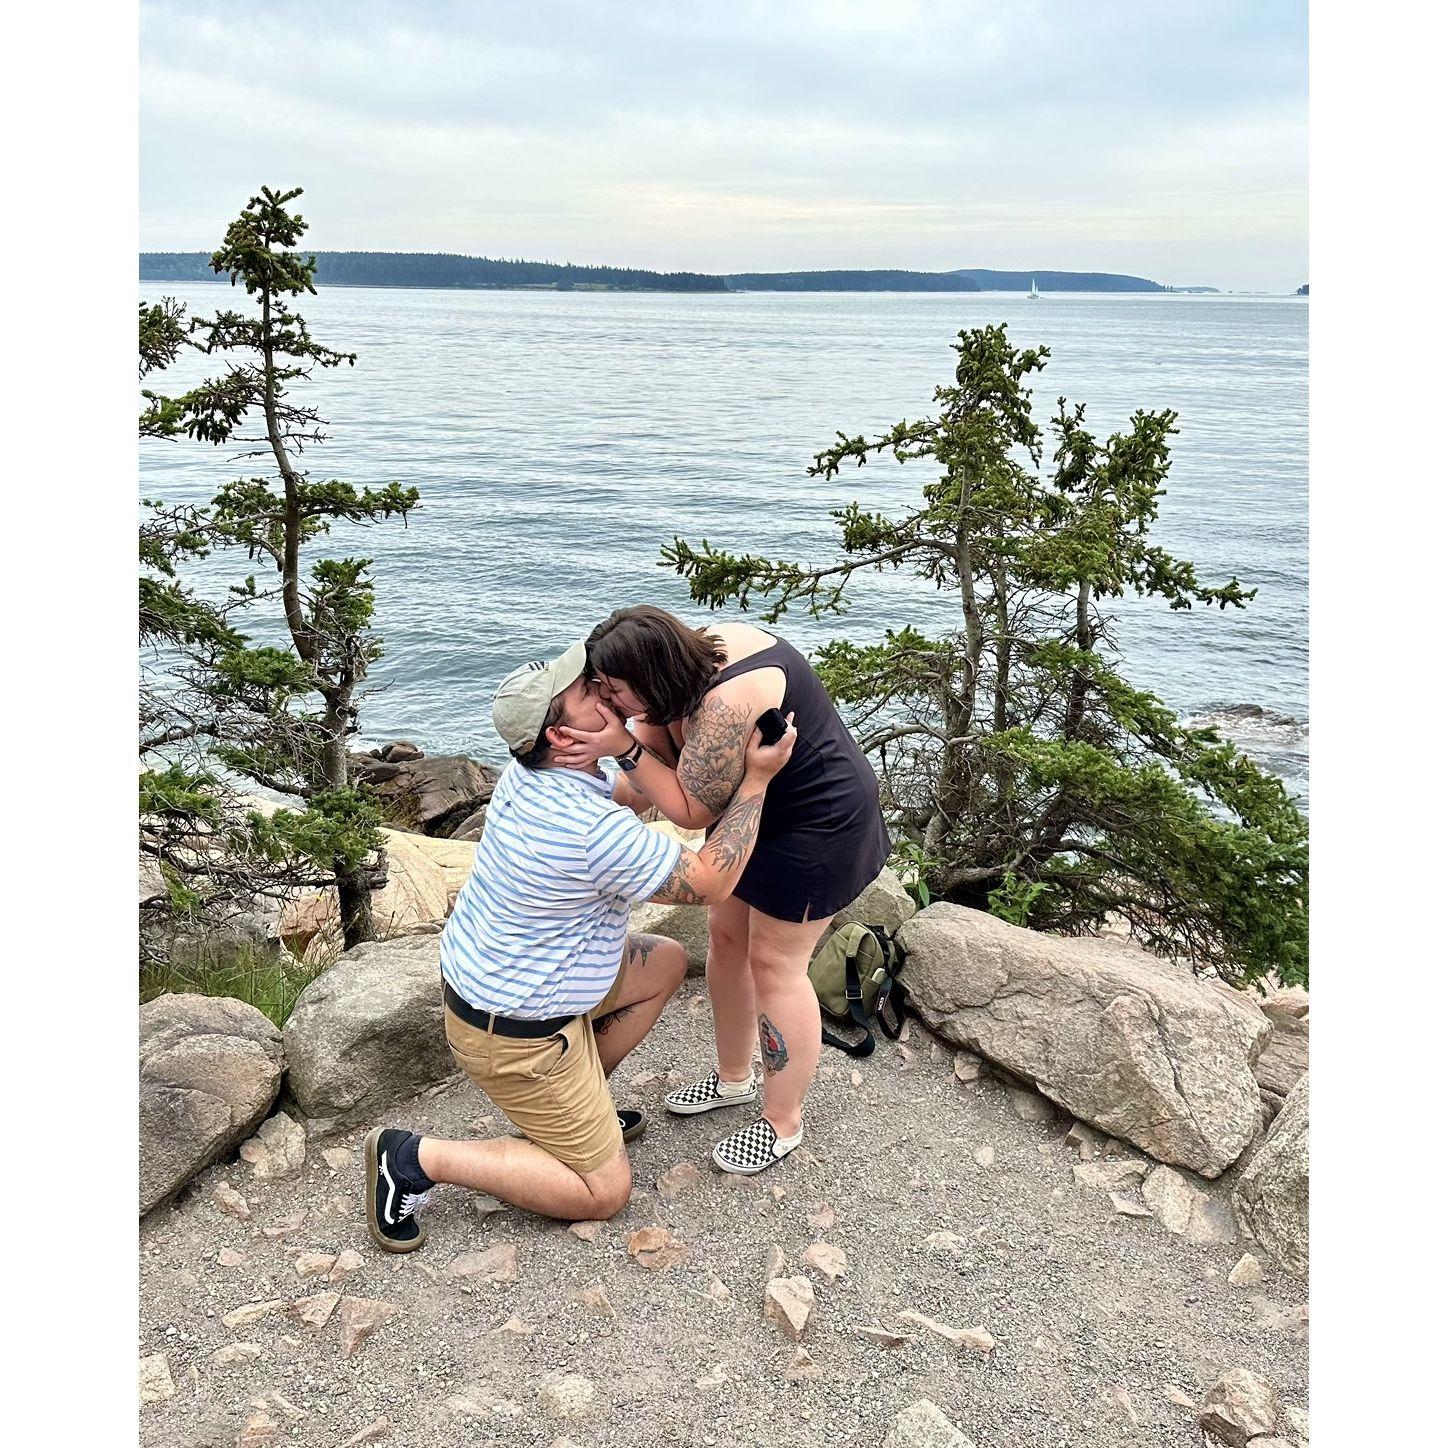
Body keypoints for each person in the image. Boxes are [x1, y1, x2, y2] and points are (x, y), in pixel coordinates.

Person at [365, 639, 795, 1253]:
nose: (602, 688)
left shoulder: (529, 772)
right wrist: (754, 780)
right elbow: (711, 880)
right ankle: (411, 1158)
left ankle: (576, 1113)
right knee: (604, 1192)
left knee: (666, 962)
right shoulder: (589, 832)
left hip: (509, 987)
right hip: (516, 1033)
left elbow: (632, 796)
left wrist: (630, 747)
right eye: (586, 694)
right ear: (564, 738)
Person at [555, 605, 890, 1176]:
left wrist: (622, 751)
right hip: (751, 812)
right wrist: (580, 804)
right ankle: (736, 1076)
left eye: (614, 692)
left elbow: (691, 807)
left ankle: (784, 1122)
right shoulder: (683, 664)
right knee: (726, 937)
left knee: (774, 964)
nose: (610, 704)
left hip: (816, 824)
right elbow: (660, 752)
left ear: (649, 675)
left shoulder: (727, 700)